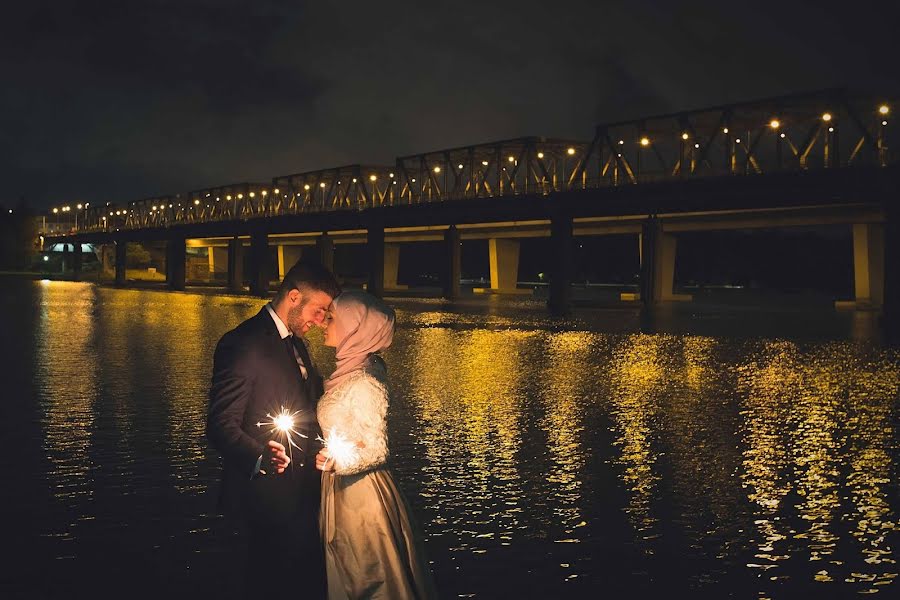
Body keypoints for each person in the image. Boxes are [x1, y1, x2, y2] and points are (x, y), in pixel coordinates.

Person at [207, 259, 341, 597]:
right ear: (294, 297)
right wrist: (258, 457)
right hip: (261, 502)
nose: (322, 320)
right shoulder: (243, 342)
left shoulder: (297, 343)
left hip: (301, 498)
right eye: (319, 309)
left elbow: (304, 409)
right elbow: (220, 424)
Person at [315, 290, 438, 600]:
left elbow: (377, 448)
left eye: (332, 318)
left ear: (355, 328)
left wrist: (336, 459)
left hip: (362, 497)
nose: (323, 323)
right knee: (346, 572)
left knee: (368, 576)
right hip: (339, 487)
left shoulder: (367, 382)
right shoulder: (349, 372)